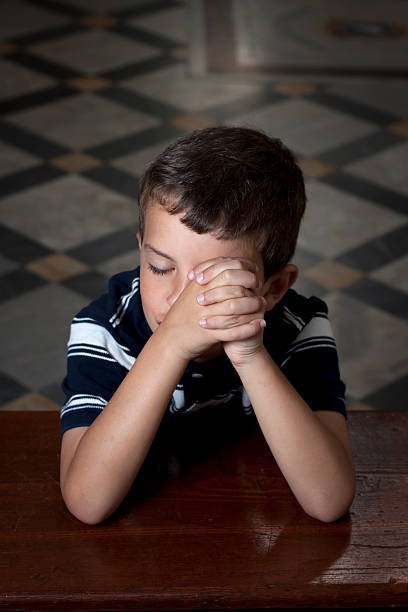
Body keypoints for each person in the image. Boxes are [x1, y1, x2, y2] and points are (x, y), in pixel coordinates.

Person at [60, 126, 355, 525]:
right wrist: (170, 343)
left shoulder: (297, 327)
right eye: (159, 267)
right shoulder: (106, 330)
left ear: (274, 288)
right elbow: (86, 502)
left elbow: (329, 500)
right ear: (140, 251)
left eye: (215, 279)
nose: (177, 301)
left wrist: (250, 353)